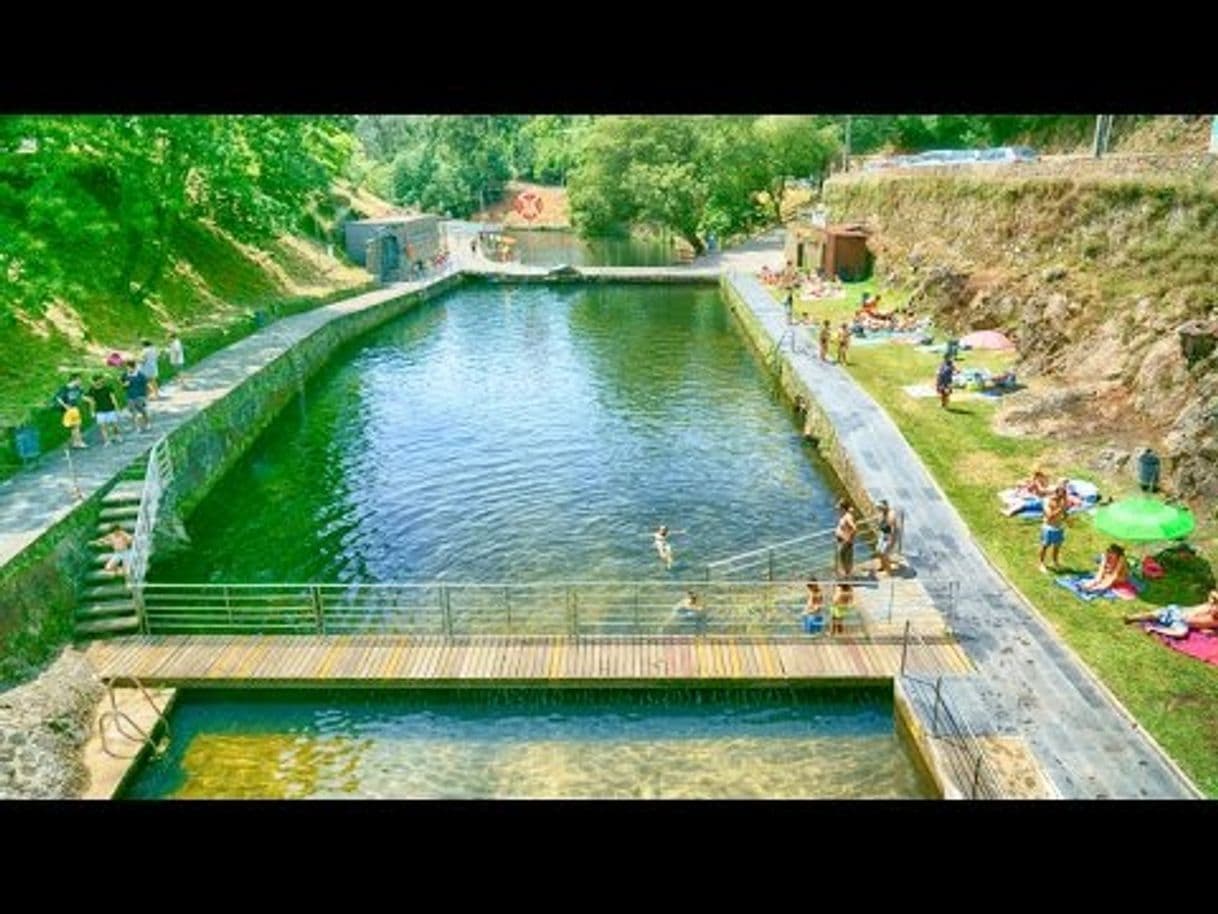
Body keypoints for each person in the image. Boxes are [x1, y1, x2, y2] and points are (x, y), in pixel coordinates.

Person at [1124, 590, 1218, 636]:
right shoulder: (1208, 605)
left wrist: (1212, 632)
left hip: (1182, 623)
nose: (1215, 612)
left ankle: (1154, 628)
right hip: (1177, 611)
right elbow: (1212, 593)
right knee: (1154, 615)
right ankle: (1132, 617)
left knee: (1181, 632)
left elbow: (1212, 629)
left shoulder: (1216, 622)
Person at [1037, 484, 1069, 573]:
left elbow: (1065, 514)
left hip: (1058, 527)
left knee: (1057, 546)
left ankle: (1055, 562)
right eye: (1061, 494)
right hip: (1048, 527)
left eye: (1064, 495)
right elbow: (1049, 516)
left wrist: (1065, 514)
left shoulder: (1062, 502)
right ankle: (1041, 563)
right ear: (1056, 492)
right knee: (1045, 546)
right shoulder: (1047, 501)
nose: (1062, 497)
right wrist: (1061, 509)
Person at [84, 374, 122, 446]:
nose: (101, 382)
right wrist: (92, 411)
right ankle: (107, 440)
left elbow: (113, 399)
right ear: (95, 381)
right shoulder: (92, 390)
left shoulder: (108, 388)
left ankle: (117, 435)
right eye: (99, 380)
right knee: (103, 426)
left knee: (114, 424)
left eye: (102, 380)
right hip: (100, 411)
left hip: (110, 409)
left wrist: (117, 408)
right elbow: (89, 399)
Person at [54, 376, 87, 448]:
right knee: (76, 426)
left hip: (74, 408)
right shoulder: (64, 388)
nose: (80, 382)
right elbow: (58, 398)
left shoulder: (77, 388)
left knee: (75, 426)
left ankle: (76, 442)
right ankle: (79, 442)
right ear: (74, 380)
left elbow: (81, 395)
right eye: (79, 380)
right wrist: (64, 405)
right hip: (68, 410)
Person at [121, 359, 151, 432]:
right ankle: (138, 427)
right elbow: (122, 384)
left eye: (128, 367)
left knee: (142, 411)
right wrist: (124, 385)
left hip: (140, 396)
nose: (127, 369)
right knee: (134, 412)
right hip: (130, 396)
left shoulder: (140, 375)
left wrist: (147, 396)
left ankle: (147, 423)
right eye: (126, 368)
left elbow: (146, 385)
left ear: (133, 367)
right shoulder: (125, 375)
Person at [875, 499, 899, 575]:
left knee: (885, 553)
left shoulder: (891, 515)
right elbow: (879, 523)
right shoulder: (881, 513)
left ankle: (889, 571)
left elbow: (893, 529)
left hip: (889, 536)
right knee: (878, 551)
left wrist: (891, 541)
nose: (879, 509)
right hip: (882, 534)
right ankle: (882, 565)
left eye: (881, 508)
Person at [834, 500, 856, 579]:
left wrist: (848, 539)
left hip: (844, 542)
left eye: (839, 508)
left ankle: (847, 578)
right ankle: (846, 577)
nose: (837, 509)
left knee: (845, 561)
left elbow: (854, 528)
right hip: (842, 541)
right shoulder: (844, 515)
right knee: (843, 560)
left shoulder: (847, 517)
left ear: (843, 508)